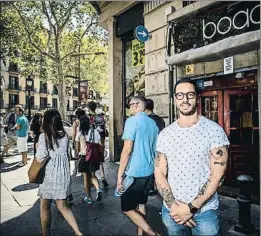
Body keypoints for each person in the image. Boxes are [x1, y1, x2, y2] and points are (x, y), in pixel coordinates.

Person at [154, 78, 230, 236]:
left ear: (197, 97)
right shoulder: (165, 135)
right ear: (174, 99)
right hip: (172, 211)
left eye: (190, 95)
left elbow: (218, 176)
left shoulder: (213, 131)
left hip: (204, 213)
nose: (185, 99)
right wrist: (175, 208)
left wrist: (190, 209)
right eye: (180, 95)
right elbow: (159, 173)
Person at [116, 96, 160, 236]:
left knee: (127, 208)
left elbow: (127, 150)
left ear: (135, 105)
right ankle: (140, 234)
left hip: (135, 173)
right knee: (141, 204)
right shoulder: (153, 124)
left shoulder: (132, 121)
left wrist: (119, 176)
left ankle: (152, 233)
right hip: (149, 171)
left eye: (129, 105)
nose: (129, 109)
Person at [35, 109, 82, 236]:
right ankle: (77, 232)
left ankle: (46, 234)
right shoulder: (65, 136)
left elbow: (40, 157)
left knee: (45, 206)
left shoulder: (43, 136)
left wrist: (37, 148)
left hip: (49, 175)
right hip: (63, 174)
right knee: (63, 207)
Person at [75, 115, 102, 204]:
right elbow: (99, 145)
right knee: (93, 176)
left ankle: (89, 197)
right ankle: (98, 189)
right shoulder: (95, 132)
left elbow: (77, 149)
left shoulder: (80, 133)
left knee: (86, 178)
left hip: (84, 157)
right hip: (94, 157)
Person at [145, 98, 166, 195]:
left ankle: (151, 186)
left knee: (151, 166)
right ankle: (157, 185)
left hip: (151, 145)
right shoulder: (160, 119)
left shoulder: (147, 120)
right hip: (160, 146)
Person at [87, 101, 109, 188]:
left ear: (89, 108)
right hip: (100, 141)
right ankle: (103, 177)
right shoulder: (101, 117)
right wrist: (102, 143)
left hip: (92, 142)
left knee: (91, 161)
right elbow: (104, 130)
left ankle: (92, 178)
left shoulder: (89, 118)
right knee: (100, 161)